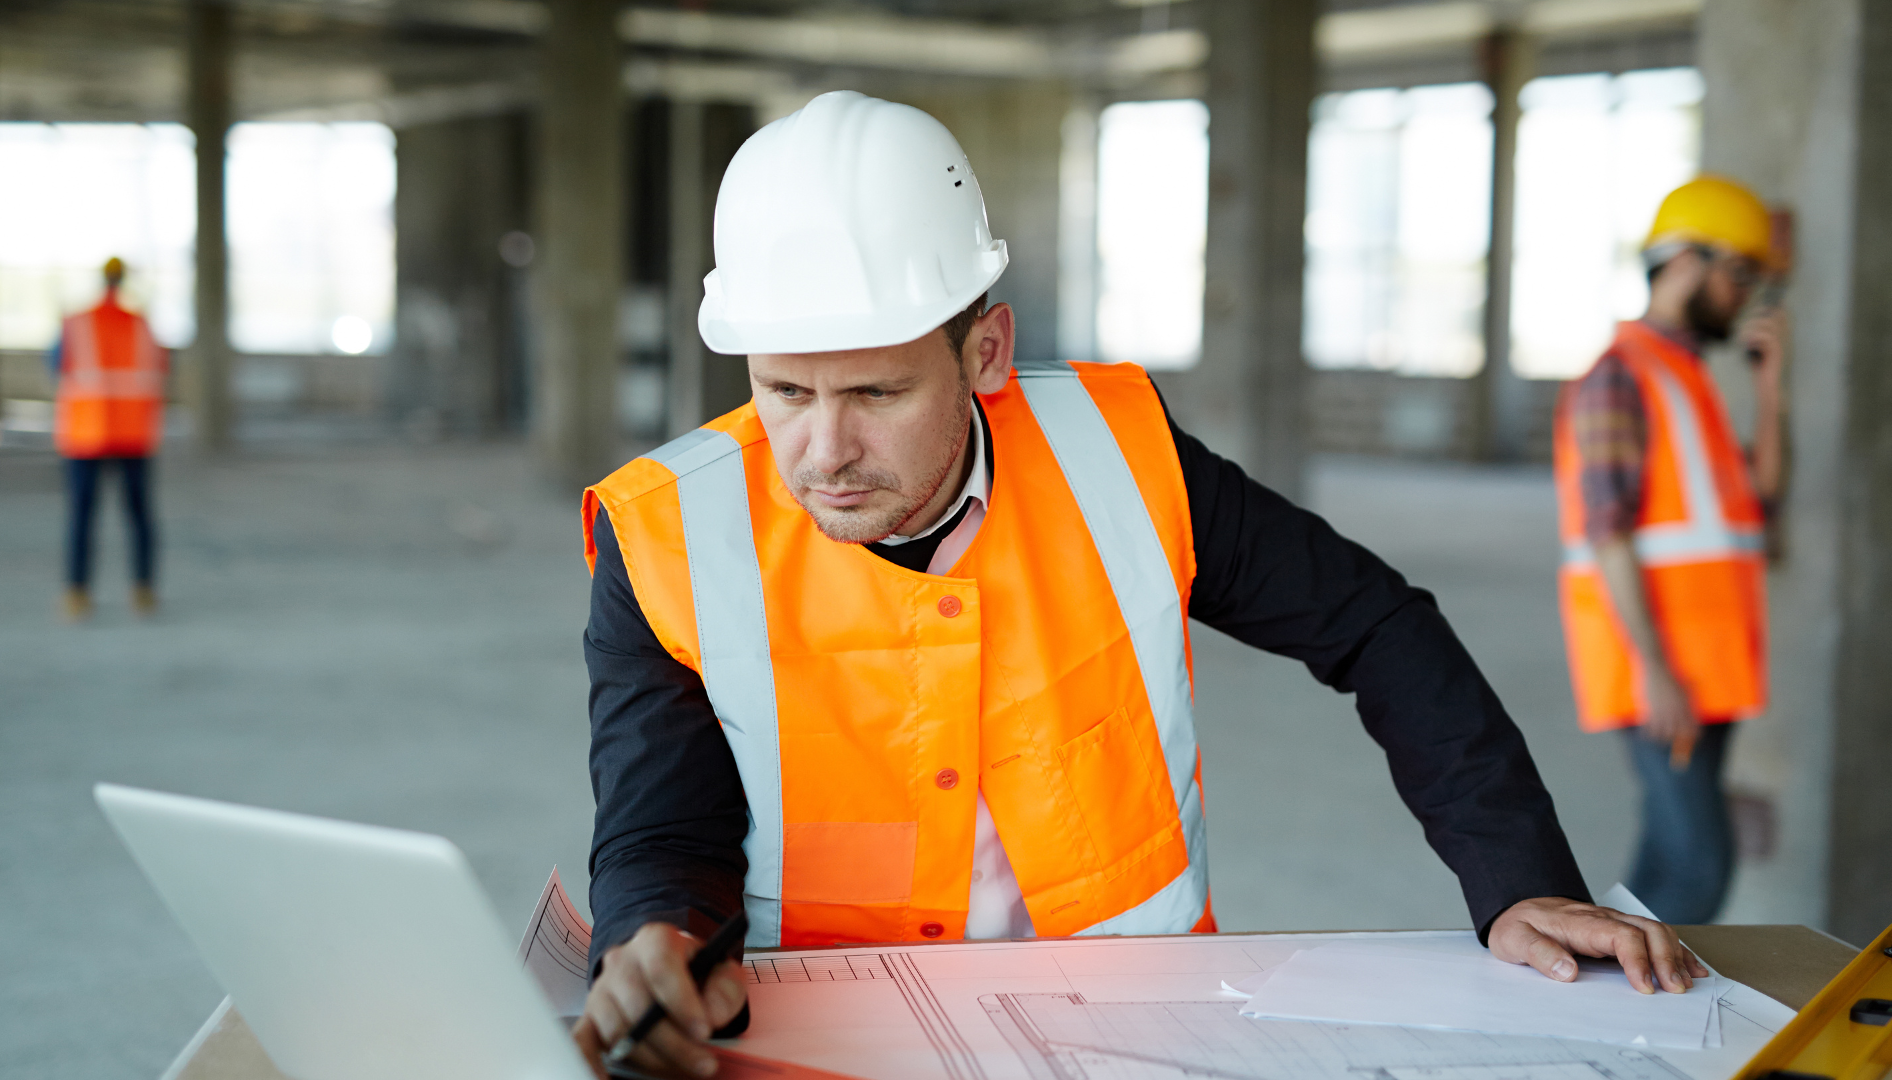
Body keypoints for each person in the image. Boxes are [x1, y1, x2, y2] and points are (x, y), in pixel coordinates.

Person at [575, 91, 1705, 1079]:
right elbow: (663, 824)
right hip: (828, 1044)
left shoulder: (1120, 456)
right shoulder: (667, 533)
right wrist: (658, 940)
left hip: (1136, 1039)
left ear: (984, 354)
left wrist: (1521, 884)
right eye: (784, 391)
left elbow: (1375, 624)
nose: (823, 451)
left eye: (874, 393)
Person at [1553, 176, 1783, 926]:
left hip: (1707, 665)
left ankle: (1615, 1014)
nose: (1743, 294)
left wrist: (1771, 390)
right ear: (1685, 261)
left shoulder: (1686, 377)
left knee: (1665, 860)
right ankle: (1644, 1025)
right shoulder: (1619, 378)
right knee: (1698, 864)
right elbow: (1606, 531)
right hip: (1661, 669)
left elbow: (1761, 502)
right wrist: (1655, 667)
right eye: (1737, 274)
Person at [50, 257, 168, 621]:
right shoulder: (141, 325)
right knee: (139, 515)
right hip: (134, 435)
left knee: (82, 516)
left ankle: (77, 593)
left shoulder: (77, 324)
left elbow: (56, 365)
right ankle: (143, 590)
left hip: (87, 435)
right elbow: (161, 368)